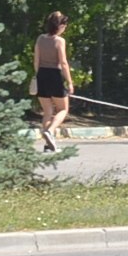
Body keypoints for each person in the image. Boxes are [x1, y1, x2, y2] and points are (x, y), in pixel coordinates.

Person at [34, 11, 73, 151]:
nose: (65, 28)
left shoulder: (40, 38)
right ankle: (50, 131)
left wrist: (38, 75)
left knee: (47, 112)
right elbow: (63, 63)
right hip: (55, 75)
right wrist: (69, 82)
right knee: (63, 109)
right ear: (60, 26)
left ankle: (48, 145)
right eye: (64, 25)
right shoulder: (59, 41)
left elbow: (36, 60)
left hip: (41, 74)